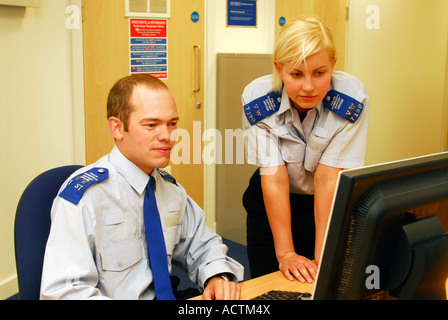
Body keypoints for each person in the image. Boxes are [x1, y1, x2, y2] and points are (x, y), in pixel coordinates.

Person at [40, 74, 243, 300]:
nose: (167, 136)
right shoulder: (86, 198)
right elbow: (65, 293)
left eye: (172, 123)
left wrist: (215, 277)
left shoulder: (169, 190)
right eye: (151, 125)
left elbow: (204, 245)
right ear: (117, 128)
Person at [242, 16, 369, 283]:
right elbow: (274, 177)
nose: (309, 86)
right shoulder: (256, 99)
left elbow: (327, 179)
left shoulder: (352, 98)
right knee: (269, 282)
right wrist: (286, 253)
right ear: (279, 69)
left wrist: (324, 258)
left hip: (324, 201)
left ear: (333, 64)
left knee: (323, 279)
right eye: (296, 74)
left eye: (319, 73)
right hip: (272, 200)